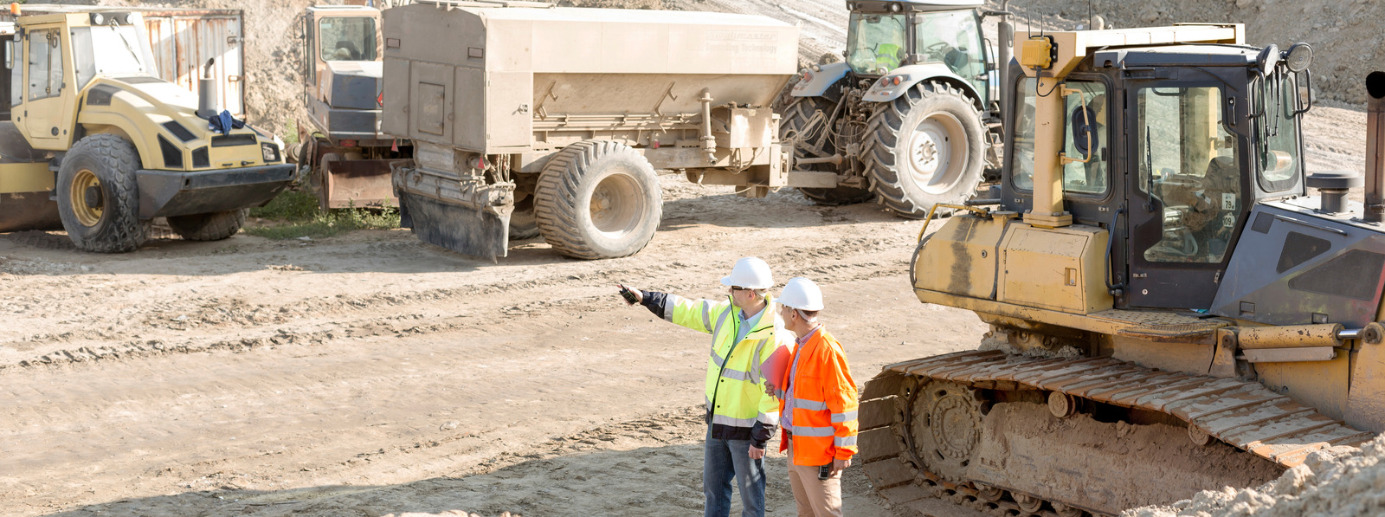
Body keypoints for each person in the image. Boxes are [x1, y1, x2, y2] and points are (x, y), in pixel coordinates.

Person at [621, 257, 792, 517]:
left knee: (752, 502)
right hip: (717, 423)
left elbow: (773, 392)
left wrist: (762, 435)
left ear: (749, 293)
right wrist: (646, 298)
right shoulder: (727, 313)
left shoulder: (776, 335)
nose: (728, 291)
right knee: (713, 491)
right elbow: (688, 310)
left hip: (746, 431)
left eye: (733, 288)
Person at [769, 277, 858, 517]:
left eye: (783, 308)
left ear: (794, 314)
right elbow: (806, 396)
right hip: (796, 448)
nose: (781, 313)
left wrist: (843, 452)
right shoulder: (802, 345)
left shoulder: (826, 350)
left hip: (819, 455)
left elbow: (845, 404)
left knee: (827, 514)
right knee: (806, 513)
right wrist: (779, 390)